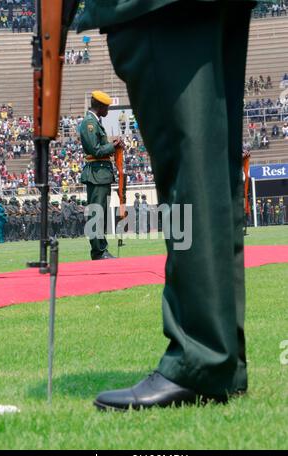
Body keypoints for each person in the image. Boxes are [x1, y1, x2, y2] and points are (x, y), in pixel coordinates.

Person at [78, 0, 257, 410]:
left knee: (188, 170)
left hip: (156, 6)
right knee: (211, 168)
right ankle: (220, 357)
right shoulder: (90, 123)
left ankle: (200, 359)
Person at [80, 90, 123, 260]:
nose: (108, 111)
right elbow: (96, 150)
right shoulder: (89, 123)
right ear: (100, 106)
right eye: (107, 107)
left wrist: (114, 146)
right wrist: (113, 146)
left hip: (102, 174)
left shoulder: (96, 122)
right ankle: (99, 251)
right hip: (96, 174)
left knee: (101, 213)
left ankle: (101, 250)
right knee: (96, 213)